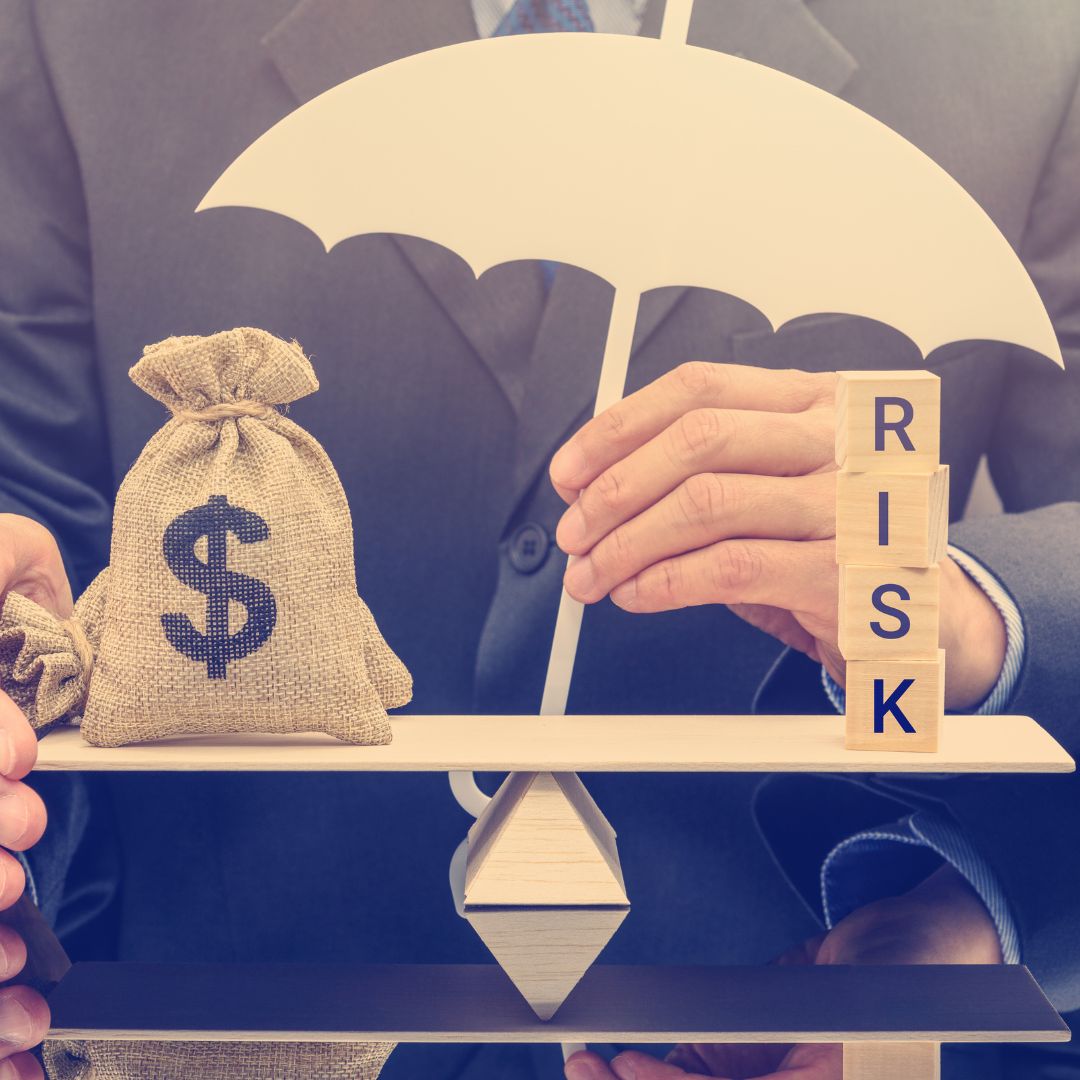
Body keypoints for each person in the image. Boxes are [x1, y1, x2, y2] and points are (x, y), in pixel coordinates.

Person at [0, 1, 1077, 1078]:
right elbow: (33, 549)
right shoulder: (78, 26)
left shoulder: (1019, 49)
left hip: (753, 1030)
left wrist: (982, 620)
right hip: (211, 1036)